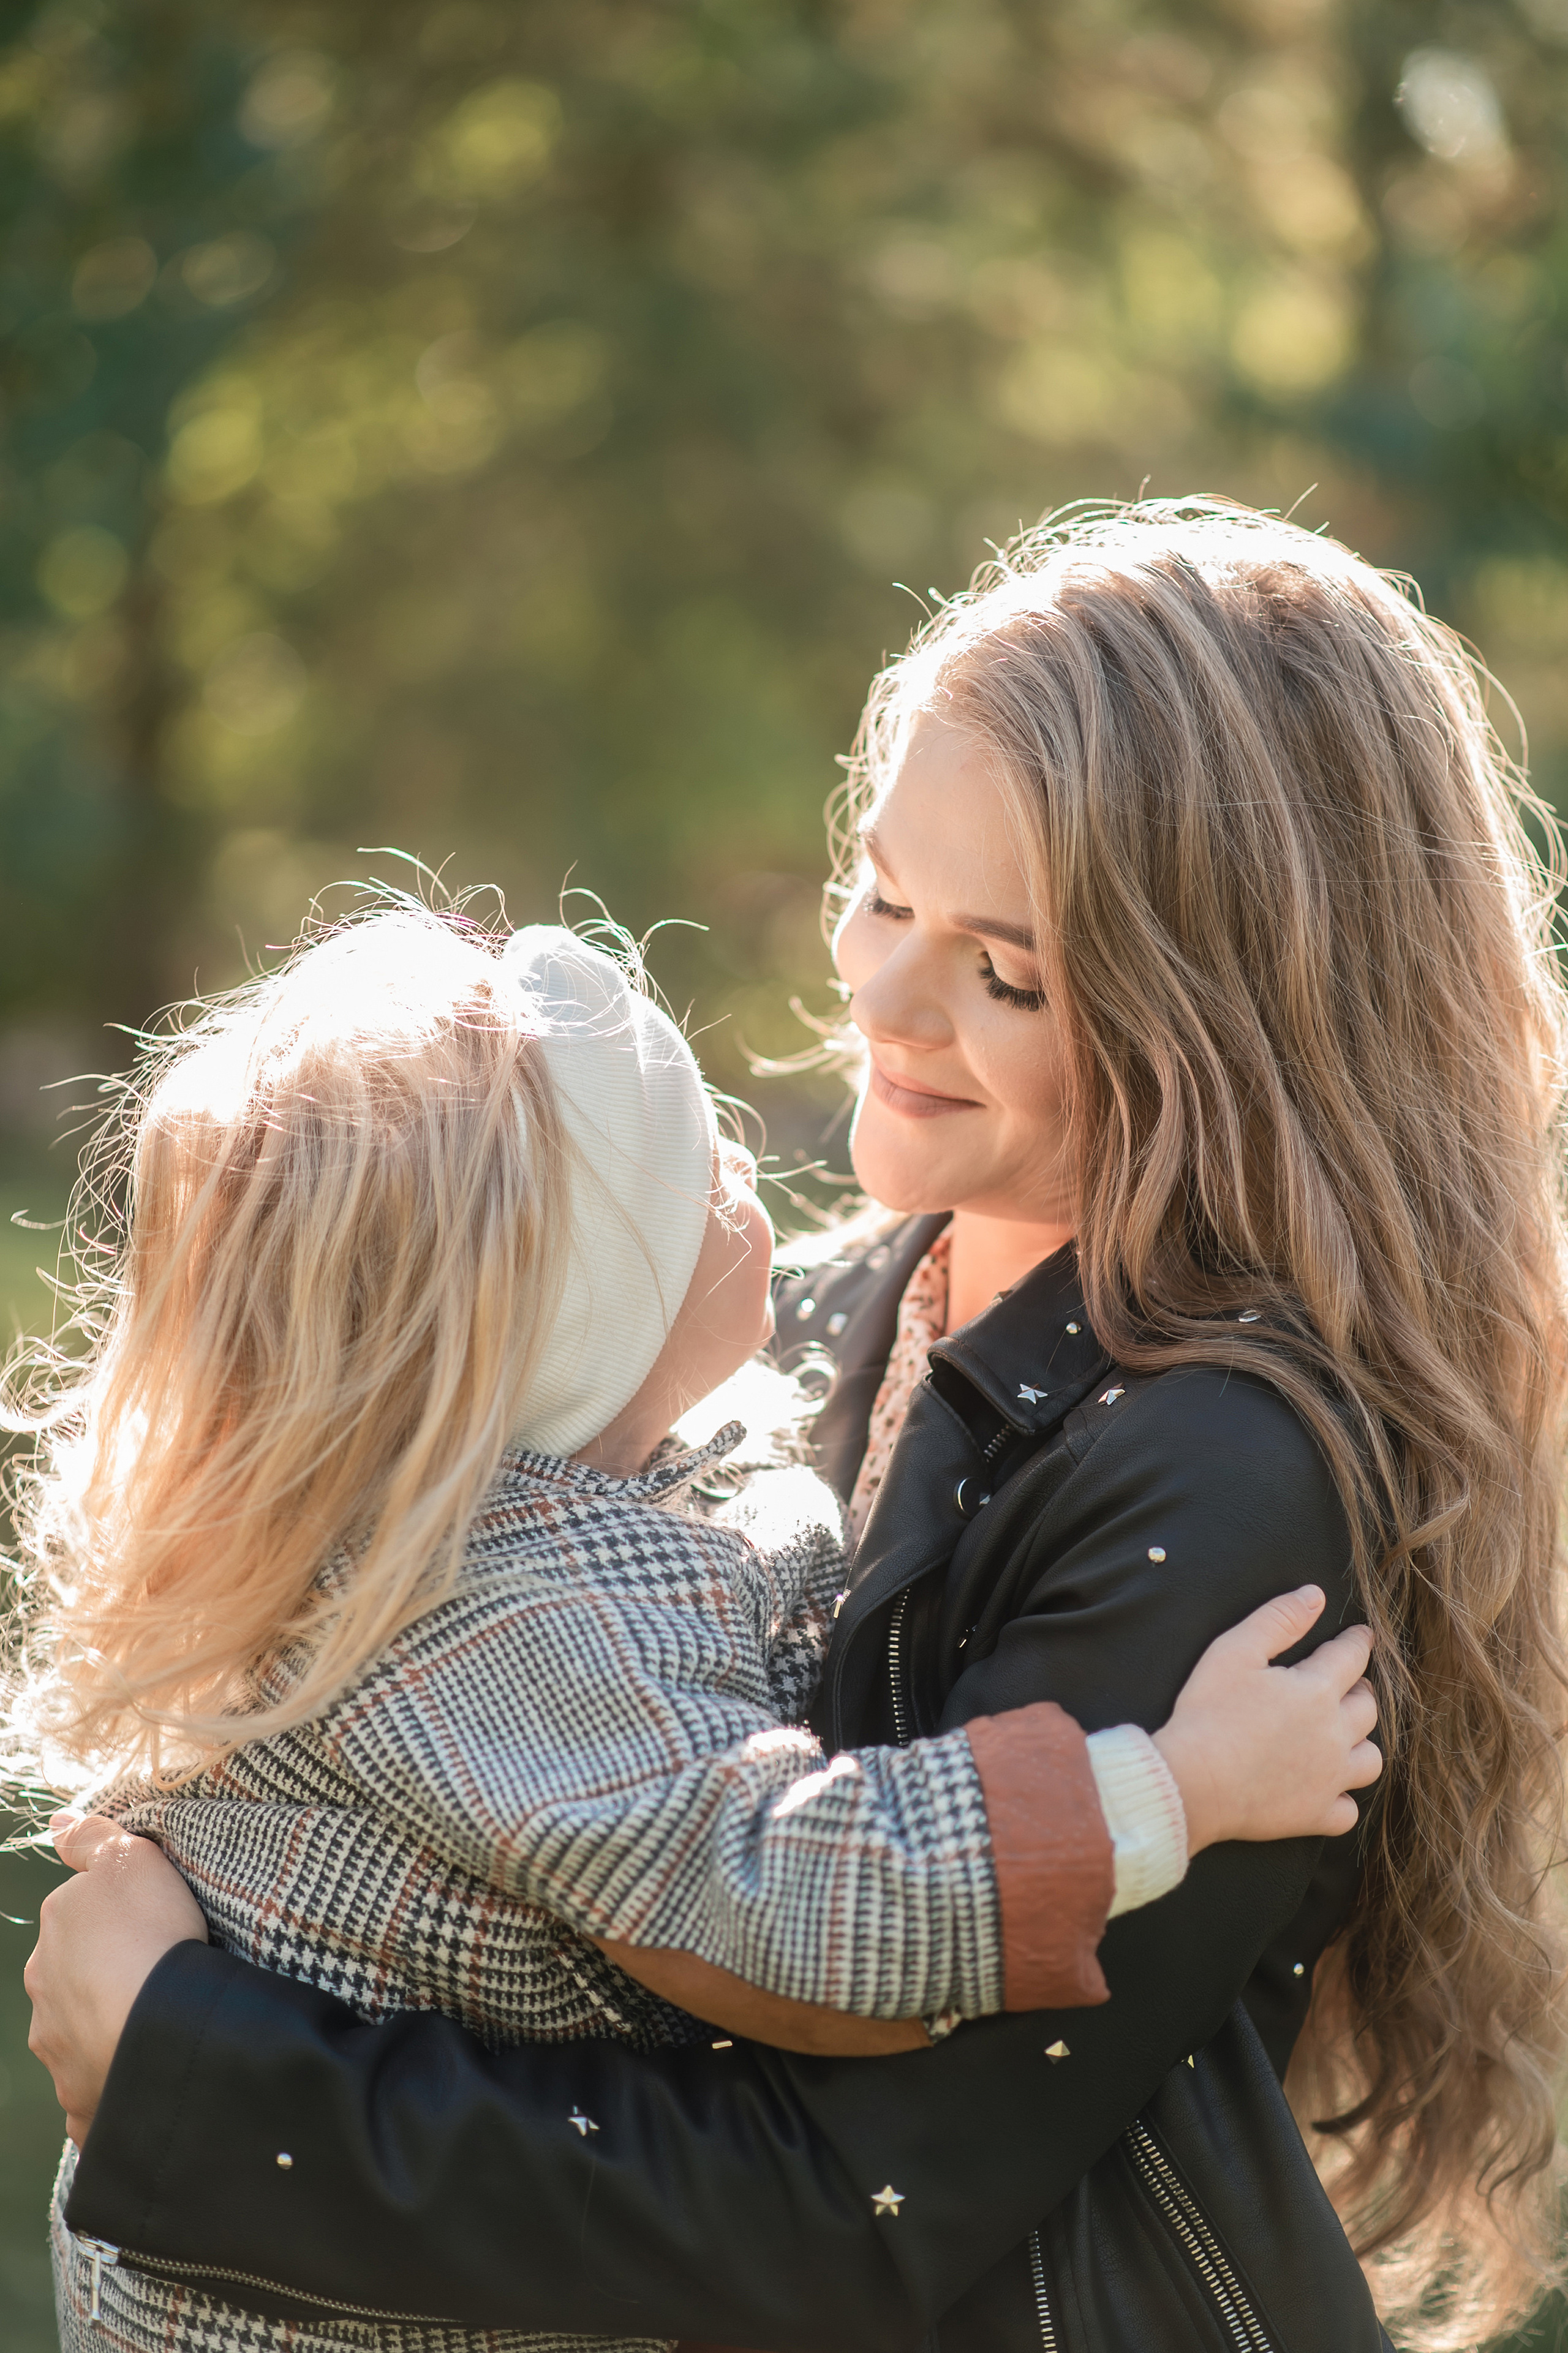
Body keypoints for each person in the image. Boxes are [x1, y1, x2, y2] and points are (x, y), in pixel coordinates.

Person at [24, 497, 1568, 2350]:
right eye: (885, 896)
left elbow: (849, 2202)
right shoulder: (804, 1309)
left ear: (1224, 1022)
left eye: (1007, 970)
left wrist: (197, 2079)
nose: (887, 1003)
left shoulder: (1221, 1471)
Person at [6, 903, 1376, 2353]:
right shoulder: (508, 1625)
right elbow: (791, 1899)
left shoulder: (506, 1493)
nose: (740, 1160)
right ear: (583, 1321)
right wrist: (1172, 1789)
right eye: (690, 1172)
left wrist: (179, 2055)